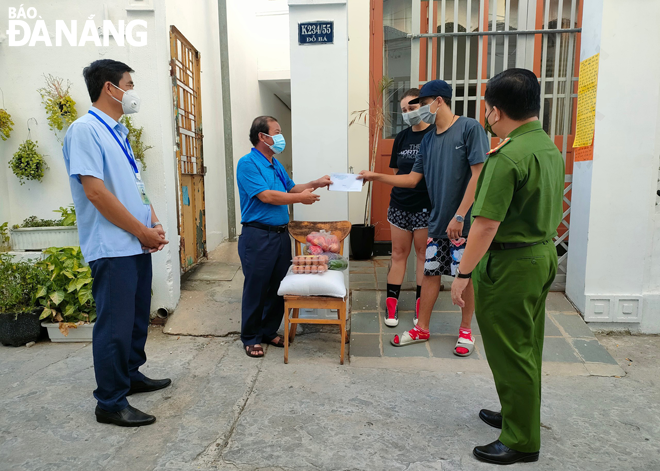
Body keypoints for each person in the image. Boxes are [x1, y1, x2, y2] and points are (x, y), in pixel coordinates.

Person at [450, 68, 565, 464]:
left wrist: (462, 276)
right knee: (527, 344)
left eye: (486, 108)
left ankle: (520, 439)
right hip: (540, 254)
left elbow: (484, 224)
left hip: (511, 262)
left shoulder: (507, 154)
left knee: (510, 350)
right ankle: (517, 413)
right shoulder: (546, 147)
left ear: (495, 111)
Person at [63, 59, 171, 427]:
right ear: (110, 88)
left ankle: (130, 375)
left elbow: (135, 189)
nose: (132, 91)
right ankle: (109, 401)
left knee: (136, 318)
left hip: (135, 244)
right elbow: (95, 192)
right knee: (114, 324)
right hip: (112, 247)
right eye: (129, 83)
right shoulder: (85, 130)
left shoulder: (118, 132)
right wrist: (140, 232)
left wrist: (152, 222)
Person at [359, 79, 488, 356]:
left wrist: (460, 215)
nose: (417, 111)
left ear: (438, 101)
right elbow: (412, 179)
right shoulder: (428, 140)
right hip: (436, 219)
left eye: (422, 104)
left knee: (463, 276)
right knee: (430, 273)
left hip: (461, 223)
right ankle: (423, 327)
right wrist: (375, 176)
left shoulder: (469, 129)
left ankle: (466, 331)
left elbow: (479, 175)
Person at [236, 116, 331, 358]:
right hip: (258, 235)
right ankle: (250, 337)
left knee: (279, 286)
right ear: (262, 136)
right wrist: (301, 199)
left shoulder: (274, 163)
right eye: (276, 132)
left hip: (279, 235)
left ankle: (268, 330)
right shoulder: (248, 164)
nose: (280, 137)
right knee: (256, 287)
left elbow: (290, 188)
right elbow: (267, 196)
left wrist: (316, 183)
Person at [383, 88, 435, 328]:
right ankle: (391, 304)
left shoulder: (436, 135)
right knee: (398, 254)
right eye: (404, 110)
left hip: (426, 206)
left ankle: (420, 305)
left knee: (423, 255)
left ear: (423, 106)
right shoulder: (402, 137)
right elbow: (397, 172)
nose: (408, 114)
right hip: (400, 205)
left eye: (412, 108)